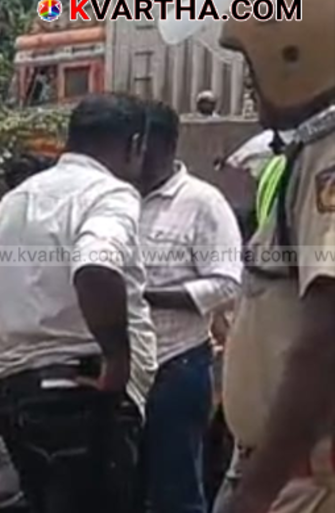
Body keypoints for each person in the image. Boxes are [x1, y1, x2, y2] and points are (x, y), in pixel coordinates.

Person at [0, 94, 157, 513]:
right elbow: (95, 266)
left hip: (16, 392)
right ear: (134, 145)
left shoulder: (19, 200)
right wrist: (117, 357)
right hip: (84, 391)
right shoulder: (110, 193)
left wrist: (1, 329)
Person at [191, 0, 335, 511]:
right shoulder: (308, 154)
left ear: (296, 57)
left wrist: (258, 490)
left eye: (252, 66)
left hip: (307, 481)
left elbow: (325, 339)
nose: (248, 84)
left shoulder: (330, 160)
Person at [137, 100, 243, 513]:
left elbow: (226, 284)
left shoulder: (202, 203)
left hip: (177, 367)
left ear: (160, 144)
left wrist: (144, 295)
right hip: (122, 369)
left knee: (175, 492)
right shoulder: (116, 200)